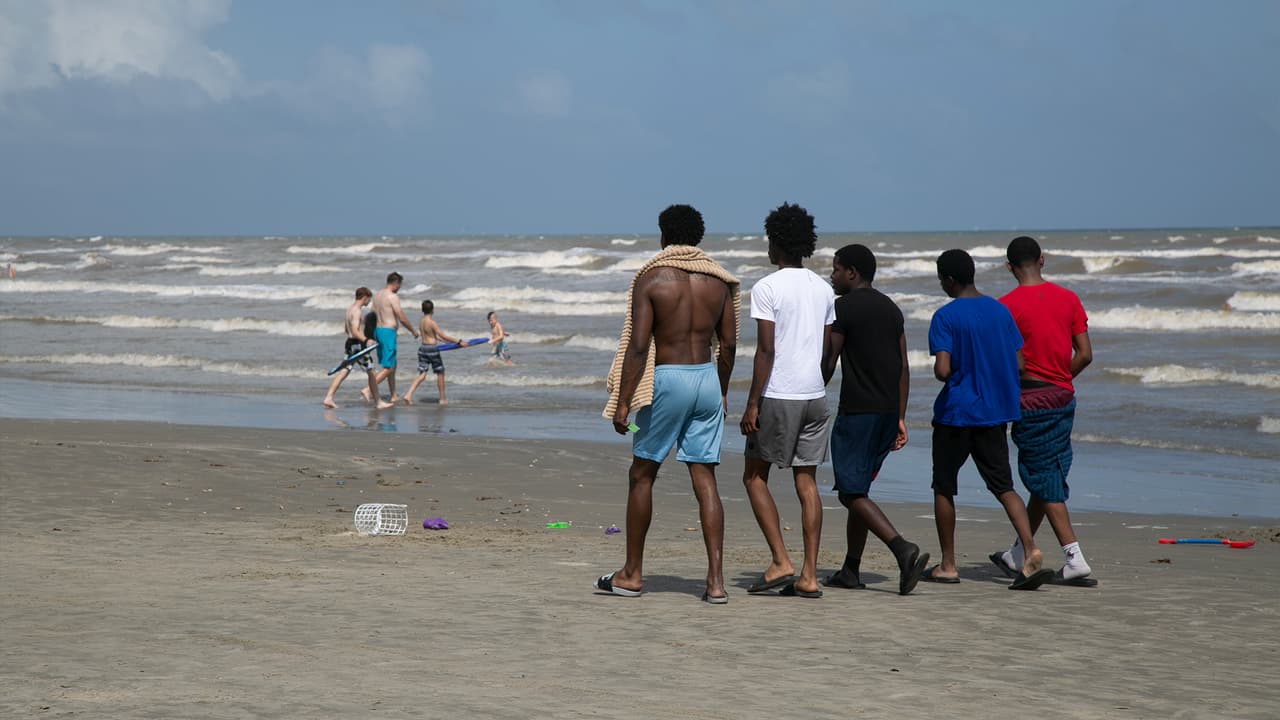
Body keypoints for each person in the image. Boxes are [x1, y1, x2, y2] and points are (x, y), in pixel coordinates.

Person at [596, 204, 739, 604]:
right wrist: (722, 388)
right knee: (705, 478)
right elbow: (727, 344)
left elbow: (639, 346)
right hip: (706, 380)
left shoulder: (652, 279)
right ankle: (715, 584)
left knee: (642, 474)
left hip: (668, 382)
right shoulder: (719, 282)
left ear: (664, 235)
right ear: (698, 237)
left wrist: (623, 403)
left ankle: (632, 574)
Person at [923, 249, 1052, 590]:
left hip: (957, 413)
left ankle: (948, 564)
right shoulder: (1000, 311)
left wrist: (949, 369)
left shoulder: (945, 317)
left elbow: (943, 369)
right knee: (1004, 486)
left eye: (941, 280)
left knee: (944, 486)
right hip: (995, 413)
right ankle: (1030, 548)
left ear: (948, 279)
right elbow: (1021, 365)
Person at [820, 244, 929, 595]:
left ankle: (901, 548)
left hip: (858, 412)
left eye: (836, 269)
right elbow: (903, 366)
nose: (832, 275)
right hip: (885, 412)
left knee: (850, 493)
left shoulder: (843, 308)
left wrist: (809, 387)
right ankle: (851, 569)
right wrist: (899, 415)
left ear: (852, 272)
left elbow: (829, 360)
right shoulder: (891, 308)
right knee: (861, 489)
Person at [990, 236, 1096, 587]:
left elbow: (1005, 364)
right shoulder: (1069, 299)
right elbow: (1084, 354)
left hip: (1030, 399)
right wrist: (1061, 378)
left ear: (1009, 267)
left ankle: (1074, 556)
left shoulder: (1005, 307)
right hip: (1063, 397)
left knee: (1044, 475)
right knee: (1046, 473)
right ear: (1042, 259)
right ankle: (1019, 551)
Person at [740, 202, 833, 599]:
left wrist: (752, 403)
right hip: (816, 395)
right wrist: (816, 384)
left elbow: (766, 351)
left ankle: (781, 560)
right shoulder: (823, 287)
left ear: (776, 244)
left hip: (780, 393)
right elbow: (828, 353)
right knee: (806, 481)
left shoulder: (767, 287)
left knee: (754, 475)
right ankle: (809, 575)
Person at [322, 287, 392, 410]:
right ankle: (378, 402)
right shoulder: (357, 311)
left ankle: (329, 397)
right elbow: (354, 330)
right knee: (371, 372)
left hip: (349, 343)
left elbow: (346, 329)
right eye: (368, 299)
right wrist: (366, 340)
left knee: (344, 370)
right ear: (364, 297)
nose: (369, 302)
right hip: (358, 345)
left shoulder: (349, 309)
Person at [365, 272, 418, 404]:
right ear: (396, 284)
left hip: (378, 331)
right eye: (399, 285)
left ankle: (393, 395)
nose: (399, 288)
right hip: (388, 332)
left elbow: (371, 315)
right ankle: (367, 389)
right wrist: (413, 330)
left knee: (392, 364)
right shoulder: (393, 296)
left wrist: (370, 334)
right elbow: (401, 316)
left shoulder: (377, 295)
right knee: (388, 367)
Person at [403, 300, 469, 405]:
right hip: (432, 349)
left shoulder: (421, 321)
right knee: (440, 373)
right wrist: (459, 341)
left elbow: (434, 336)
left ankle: (408, 394)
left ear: (422, 310)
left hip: (423, 348)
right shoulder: (432, 323)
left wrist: (448, 343)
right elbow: (443, 335)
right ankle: (442, 399)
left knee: (422, 374)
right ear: (433, 310)